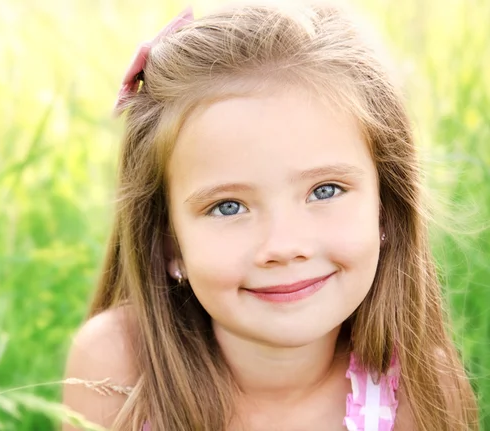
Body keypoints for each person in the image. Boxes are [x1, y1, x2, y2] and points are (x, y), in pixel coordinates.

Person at [62, 1, 479, 430]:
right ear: (169, 241)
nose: (283, 246)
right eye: (228, 206)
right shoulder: (121, 364)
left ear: (385, 210)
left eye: (325, 190)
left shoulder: (417, 388)